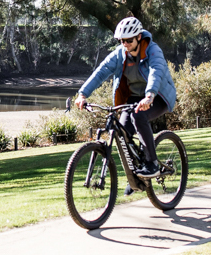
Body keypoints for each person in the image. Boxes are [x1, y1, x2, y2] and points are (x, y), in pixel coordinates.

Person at [74, 16, 177, 178]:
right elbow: (101, 72)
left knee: (139, 116)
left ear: (138, 37)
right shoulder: (120, 54)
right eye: (122, 41)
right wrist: (83, 94)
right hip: (134, 98)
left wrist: (149, 95)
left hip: (158, 96)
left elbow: (155, 73)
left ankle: (152, 164)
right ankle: (135, 177)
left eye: (129, 40)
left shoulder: (153, 50)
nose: (125, 44)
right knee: (122, 133)